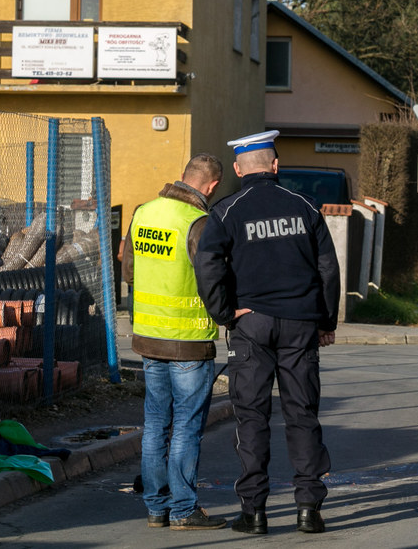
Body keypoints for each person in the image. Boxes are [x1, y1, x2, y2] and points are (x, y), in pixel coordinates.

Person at [195, 130, 341, 535]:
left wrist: (225, 312)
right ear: (276, 166)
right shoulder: (305, 206)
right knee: (302, 414)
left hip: (251, 324)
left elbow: (208, 266)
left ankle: (254, 513)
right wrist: (325, 322)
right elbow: (328, 268)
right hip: (300, 324)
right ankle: (309, 509)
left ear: (240, 170)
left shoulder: (225, 211)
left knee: (252, 417)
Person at [119, 153, 228, 531]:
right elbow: (212, 280)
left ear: (184, 176)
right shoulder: (198, 222)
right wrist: (229, 315)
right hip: (188, 341)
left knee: (154, 424)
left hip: (149, 339)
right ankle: (183, 510)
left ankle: (156, 508)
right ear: (211, 185)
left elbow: (129, 270)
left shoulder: (143, 212)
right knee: (185, 426)